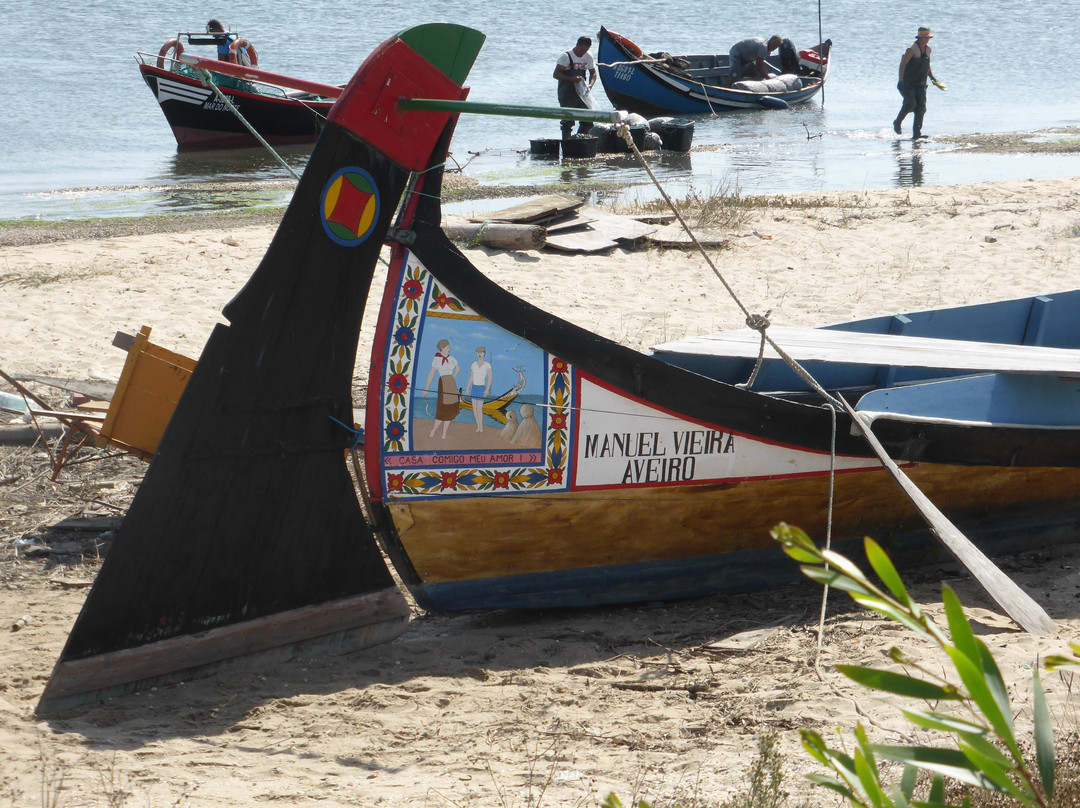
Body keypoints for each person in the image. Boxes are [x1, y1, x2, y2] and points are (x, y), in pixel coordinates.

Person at [893, 26, 943, 140]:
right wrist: (900, 81)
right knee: (910, 104)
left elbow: (927, 65)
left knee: (921, 107)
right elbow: (902, 65)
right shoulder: (911, 50)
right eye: (925, 38)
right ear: (919, 38)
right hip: (907, 84)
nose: (927, 40)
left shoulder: (928, 49)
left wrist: (932, 78)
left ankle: (917, 134)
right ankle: (897, 122)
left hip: (921, 83)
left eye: (928, 38)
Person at [553, 36, 598, 140]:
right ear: (577, 45)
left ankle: (579, 141)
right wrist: (572, 79)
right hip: (566, 93)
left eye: (586, 50)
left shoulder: (588, 56)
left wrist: (590, 85)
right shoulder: (566, 56)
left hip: (581, 92)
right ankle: (567, 143)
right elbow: (556, 74)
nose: (583, 52)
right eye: (582, 49)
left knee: (587, 119)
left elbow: (593, 73)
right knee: (567, 121)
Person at [424, 338, 461, 439]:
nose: (449, 349)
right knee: (442, 409)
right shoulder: (437, 359)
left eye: (449, 347)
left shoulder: (452, 358)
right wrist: (426, 388)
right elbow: (431, 373)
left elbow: (458, 368)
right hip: (443, 383)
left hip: (451, 384)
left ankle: (444, 433)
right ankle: (434, 430)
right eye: (447, 347)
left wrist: (454, 376)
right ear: (442, 348)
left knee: (450, 410)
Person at [466, 346, 493, 432]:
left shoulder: (487, 365)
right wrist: (467, 388)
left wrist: (487, 389)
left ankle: (481, 427)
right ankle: (478, 426)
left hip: (481, 387)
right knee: (474, 409)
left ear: (484, 354)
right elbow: (471, 377)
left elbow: (490, 378)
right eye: (478, 353)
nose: (479, 354)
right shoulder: (473, 364)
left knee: (479, 409)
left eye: (481, 352)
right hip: (474, 387)